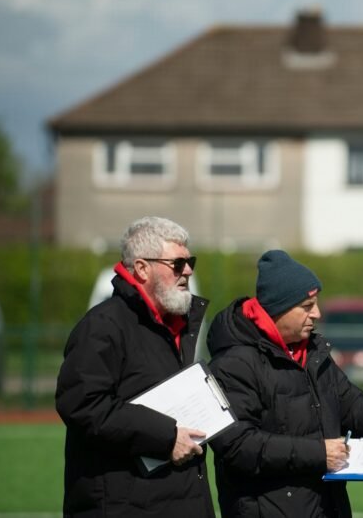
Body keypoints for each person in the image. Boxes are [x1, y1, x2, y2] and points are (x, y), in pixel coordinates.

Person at [207, 249, 363, 518]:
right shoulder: (233, 363)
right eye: (307, 307)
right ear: (278, 309)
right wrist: (318, 454)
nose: (317, 314)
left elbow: (350, 403)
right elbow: (238, 446)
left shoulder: (312, 352)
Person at [55, 216, 215, 518]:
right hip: (122, 505)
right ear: (142, 268)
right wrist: (166, 436)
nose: (189, 271)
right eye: (178, 264)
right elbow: (82, 404)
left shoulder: (175, 325)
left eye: (190, 261)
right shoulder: (102, 326)